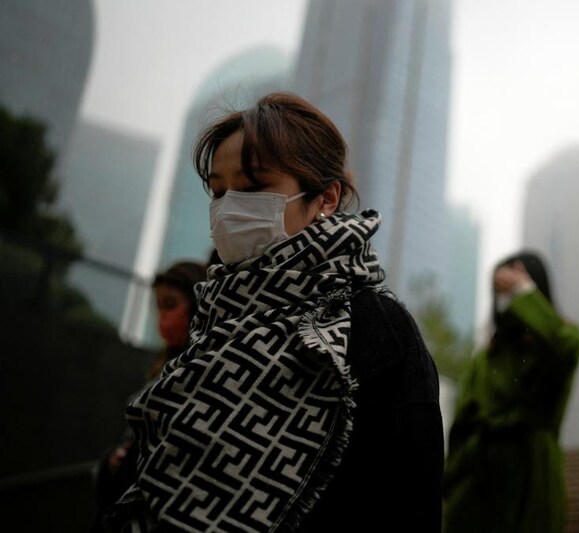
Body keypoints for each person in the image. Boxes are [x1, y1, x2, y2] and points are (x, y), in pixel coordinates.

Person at [101, 92, 443, 532]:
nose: (229, 208)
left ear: (326, 198)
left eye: (254, 186)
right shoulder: (214, 314)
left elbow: (411, 503)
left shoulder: (377, 328)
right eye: (219, 191)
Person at [443, 251, 579, 533]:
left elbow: (570, 344)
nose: (506, 295)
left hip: (532, 482)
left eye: (515, 285)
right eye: (501, 287)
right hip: (475, 488)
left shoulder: (552, 345)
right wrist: (452, 479)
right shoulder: (484, 358)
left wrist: (526, 296)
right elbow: (461, 427)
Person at [92, 261, 206, 525]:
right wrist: (114, 460)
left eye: (170, 304)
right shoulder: (160, 368)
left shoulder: (200, 369)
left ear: (196, 302)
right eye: (158, 307)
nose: (162, 317)